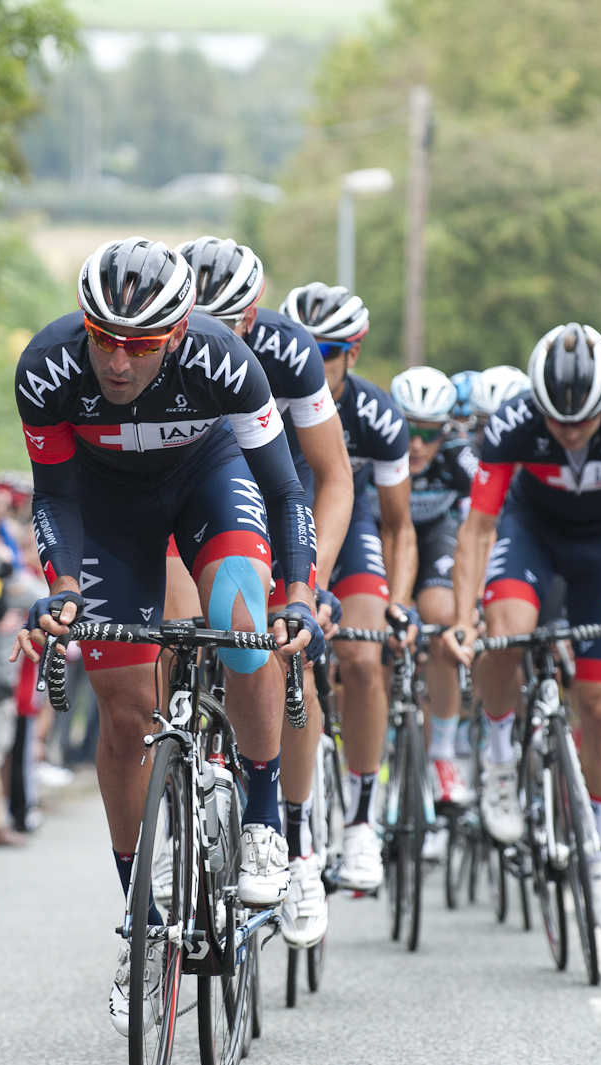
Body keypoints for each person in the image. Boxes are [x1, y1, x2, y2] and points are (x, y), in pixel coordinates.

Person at [9, 237, 320, 1036]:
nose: (117, 359)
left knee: (245, 625)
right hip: (107, 514)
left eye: (141, 343)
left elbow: (284, 487)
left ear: (178, 334)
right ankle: (143, 925)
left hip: (208, 483)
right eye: (103, 335)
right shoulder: (48, 367)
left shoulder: (225, 363)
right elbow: (55, 495)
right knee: (122, 714)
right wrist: (65, 587)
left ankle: (260, 820)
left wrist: (301, 594)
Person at [443, 322, 601, 938]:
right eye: (557, 421)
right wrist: (464, 616)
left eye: (582, 422)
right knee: (506, 631)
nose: (570, 432)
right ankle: (498, 761)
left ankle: (600, 860)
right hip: (532, 536)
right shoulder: (514, 421)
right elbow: (477, 526)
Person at [175, 238, 352, 950]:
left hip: (277, 503)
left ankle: (296, 841)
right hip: (190, 495)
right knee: (176, 625)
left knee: (286, 653)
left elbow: (329, 478)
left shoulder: (289, 350)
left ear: (253, 315)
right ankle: (177, 769)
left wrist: (310, 589)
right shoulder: (164, 348)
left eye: (230, 323)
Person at [281, 283, 417, 897]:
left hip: (352, 527)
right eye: (301, 346)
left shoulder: (380, 416)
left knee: (363, 660)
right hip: (278, 523)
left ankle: (362, 818)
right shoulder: (263, 394)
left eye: (327, 351)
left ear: (352, 354)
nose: (311, 360)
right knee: (283, 659)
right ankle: (284, 817)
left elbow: (398, 525)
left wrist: (399, 603)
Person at [390, 367, 478, 809]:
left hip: (435, 537)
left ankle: (442, 751)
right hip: (385, 534)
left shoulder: (458, 453)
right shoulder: (373, 445)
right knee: (374, 630)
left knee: (444, 624)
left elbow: (488, 518)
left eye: (429, 433)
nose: (417, 444)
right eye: (408, 430)